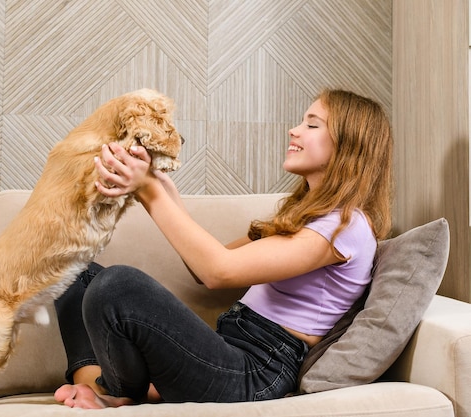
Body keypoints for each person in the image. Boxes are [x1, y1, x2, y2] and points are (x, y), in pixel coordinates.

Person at [52, 89, 393, 409]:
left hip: (255, 373)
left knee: (116, 286)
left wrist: (147, 190)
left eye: (311, 124)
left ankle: (116, 393)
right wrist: (158, 182)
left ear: (348, 147)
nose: (294, 130)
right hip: (228, 348)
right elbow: (201, 266)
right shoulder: (305, 217)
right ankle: (101, 386)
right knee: (73, 273)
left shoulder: (348, 227)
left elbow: (218, 272)